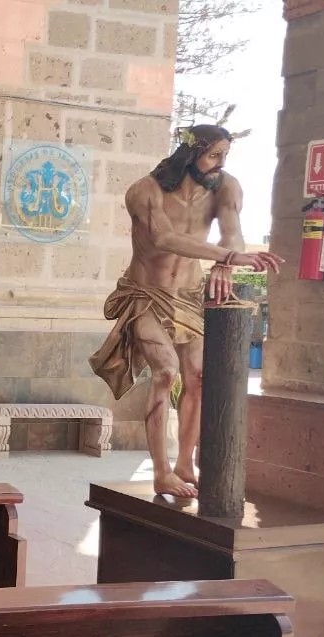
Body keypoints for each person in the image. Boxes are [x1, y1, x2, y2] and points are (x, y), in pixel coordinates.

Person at [89, 124, 284, 499]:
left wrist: (227, 264)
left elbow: (232, 230)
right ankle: (161, 471)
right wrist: (227, 255)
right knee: (166, 371)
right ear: (190, 153)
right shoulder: (145, 191)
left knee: (198, 377)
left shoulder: (226, 186)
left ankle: (185, 463)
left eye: (225, 155)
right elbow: (163, 238)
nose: (220, 163)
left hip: (189, 296)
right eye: (214, 155)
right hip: (146, 295)